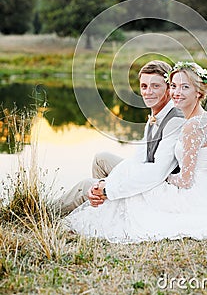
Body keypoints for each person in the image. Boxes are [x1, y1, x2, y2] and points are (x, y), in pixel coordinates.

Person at [64, 62, 207, 243]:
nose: (177, 92)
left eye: (184, 87)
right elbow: (142, 158)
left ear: (199, 91)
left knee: (122, 198)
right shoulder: (193, 119)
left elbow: (183, 179)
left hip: (190, 192)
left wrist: (159, 181)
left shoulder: (188, 124)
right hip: (195, 186)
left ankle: (55, 210)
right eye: (175, 86)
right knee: (104, 166)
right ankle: (96, 200)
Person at [53, 60, 184, 215]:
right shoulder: (155, 115)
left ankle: (41, 214)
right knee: (101, 159)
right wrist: (104, 183)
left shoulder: (175, 120)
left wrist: (108, 189)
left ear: (169, 88)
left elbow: (157, 173)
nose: (148, 92)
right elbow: (138, 159)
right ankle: (101, 209)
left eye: (155, 86)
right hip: (146, 172)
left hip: (160, 187)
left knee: (86, 185)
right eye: (144, 86)